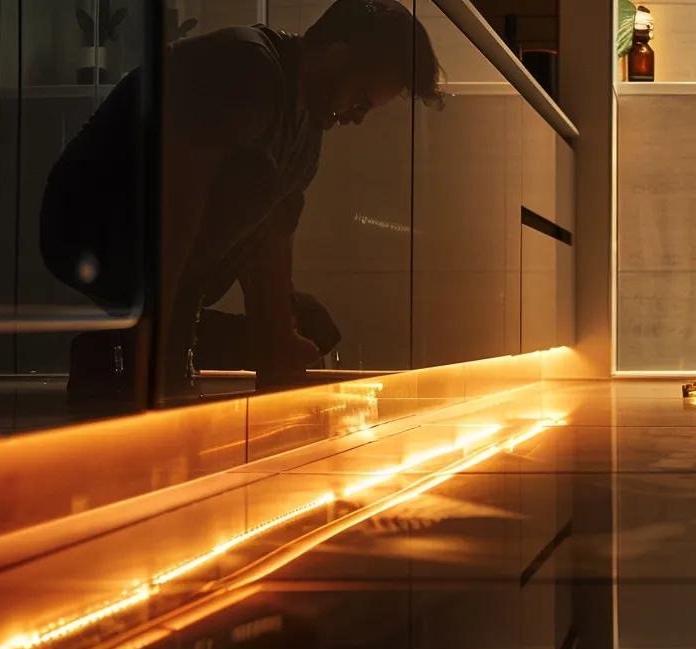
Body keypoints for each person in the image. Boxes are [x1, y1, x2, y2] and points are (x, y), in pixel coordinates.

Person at [40, 0, 443, 402]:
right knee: (261, 179)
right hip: (86, 223)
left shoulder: (306, 130)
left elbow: (273, 235)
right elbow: (180, 195)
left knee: (307, 313)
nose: (356, 117)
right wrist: (157, 332)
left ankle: (137, 348)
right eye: (360, 100)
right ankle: (149, 340)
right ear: (336, 55)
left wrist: (280, 334)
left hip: (141, 239)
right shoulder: (251, 67)